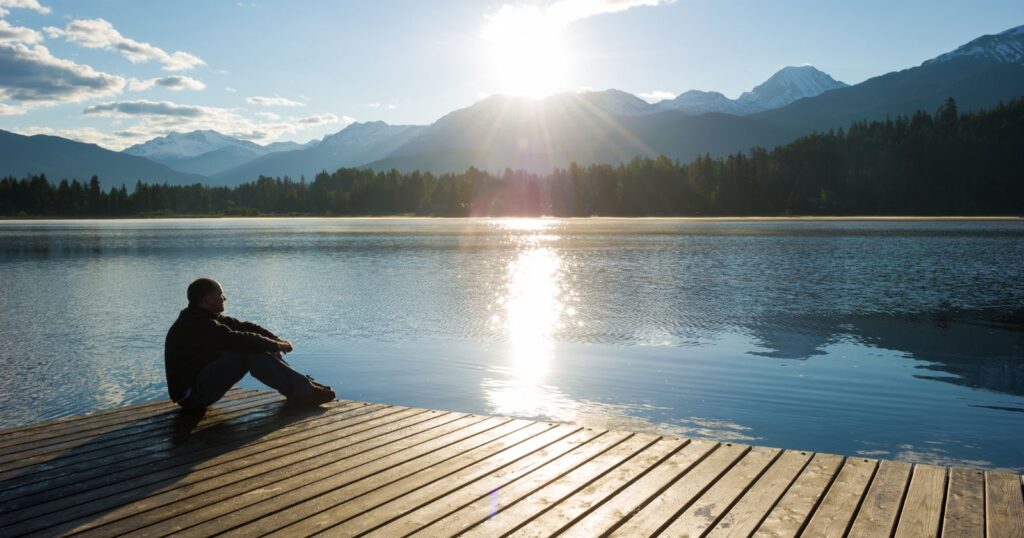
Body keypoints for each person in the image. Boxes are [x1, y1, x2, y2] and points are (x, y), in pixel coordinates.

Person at [165, 277, 335, 410]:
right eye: (221, 294)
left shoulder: (202, 317)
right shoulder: (195, 323)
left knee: (254, 345)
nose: (225, 298)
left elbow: (244, 327)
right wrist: (275, 346)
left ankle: (304, 388)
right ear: (209, 298)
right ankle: (304, 391)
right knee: (247, 350)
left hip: (197, 389)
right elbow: (237, 339)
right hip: (191, 396)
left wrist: (274, 339)